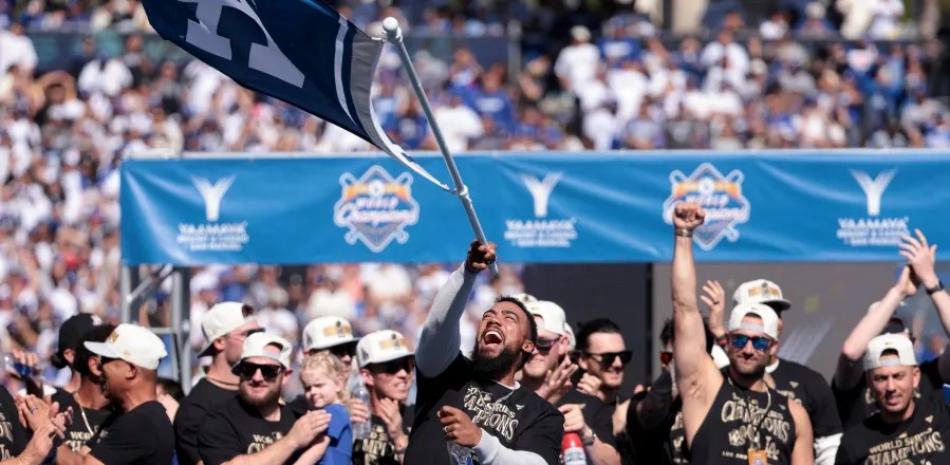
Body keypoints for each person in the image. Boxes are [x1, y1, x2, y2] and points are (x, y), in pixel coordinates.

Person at [670, 202, 813, 465]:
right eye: (740, 339)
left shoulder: (794, 414)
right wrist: (683, 236)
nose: (748, 349)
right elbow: (684, 307)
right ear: (729, 340)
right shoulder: (706, 389)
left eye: (759, 342)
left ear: (773, 348)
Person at [405, 241, 563, 465]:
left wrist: (480, 441)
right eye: (488, 316)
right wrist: (467, 273)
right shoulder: (447, 372)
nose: (494, 320)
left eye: (509, 318)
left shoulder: (541, 414)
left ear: (528, 345)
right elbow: (437, 327)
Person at [706, 278, 843, 465]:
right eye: (761, 310)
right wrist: (719, 334)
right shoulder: (715, 377)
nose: (774, 319)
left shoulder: (810, 381)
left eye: (777, 312)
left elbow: (830, 447)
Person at [833, 230, 950, 428]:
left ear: (912, 340)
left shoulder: (928, 378)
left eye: (896, 329)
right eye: (881, 331)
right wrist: (898, 292)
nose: (889, 338)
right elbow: (850, 352)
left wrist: (931, 281)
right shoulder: (856, 385)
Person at [198, 332, 331, 465]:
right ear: (240, 371)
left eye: (269, 370)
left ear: (285, 376)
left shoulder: (300, 419)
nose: (257, 378)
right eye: (249, 368)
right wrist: (292, 441)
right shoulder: (219, 420)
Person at [56, 323, 174, 465]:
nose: (99, 367)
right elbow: (82, 456)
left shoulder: (141, 422)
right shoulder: (124, 417)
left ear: (130, 370)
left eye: (105, 360)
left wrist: (44, 434)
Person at [519, 299, 620, 465]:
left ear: (563, 343)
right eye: (527, 344)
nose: (534, 351)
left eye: (543, 343)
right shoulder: (504, 394)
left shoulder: (589, 403)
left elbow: (614, 463)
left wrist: (586, 434)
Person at [835, 333, 950, 464]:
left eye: (898, 376)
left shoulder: (943, 413)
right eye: (881, 378)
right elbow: (849, 352)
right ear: (869, 382)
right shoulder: (854, 443)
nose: (891, 387)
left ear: (915, 377)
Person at [176, 302, 261, 465]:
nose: (256, 341)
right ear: (219, 342)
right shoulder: (196, 408)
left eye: (258, 333)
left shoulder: (261, 392)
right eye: (247, 334)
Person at [352, 329, 415, 465]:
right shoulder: (354, 419)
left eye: (408, 365)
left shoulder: (421, 419)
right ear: (367, 376)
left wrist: (399, 438)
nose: (404, 374)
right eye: (392, 367)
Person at [51, 324, 115, 452]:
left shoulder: (126, 417)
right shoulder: (54, 406)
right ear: (96, 366)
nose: (131, 370)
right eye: (122, 360)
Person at [298, 352, 353, 465]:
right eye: (307, 388)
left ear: (338, 384)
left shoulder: (333, 412)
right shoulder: (333, 411)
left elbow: (318, 450)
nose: (312, 392)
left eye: (319, 385)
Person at [575, 319, 630, 406]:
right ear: (583, 360)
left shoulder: (630, 411)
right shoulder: (566, 408)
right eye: (608, 357)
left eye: (624, 356)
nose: (618, 364)